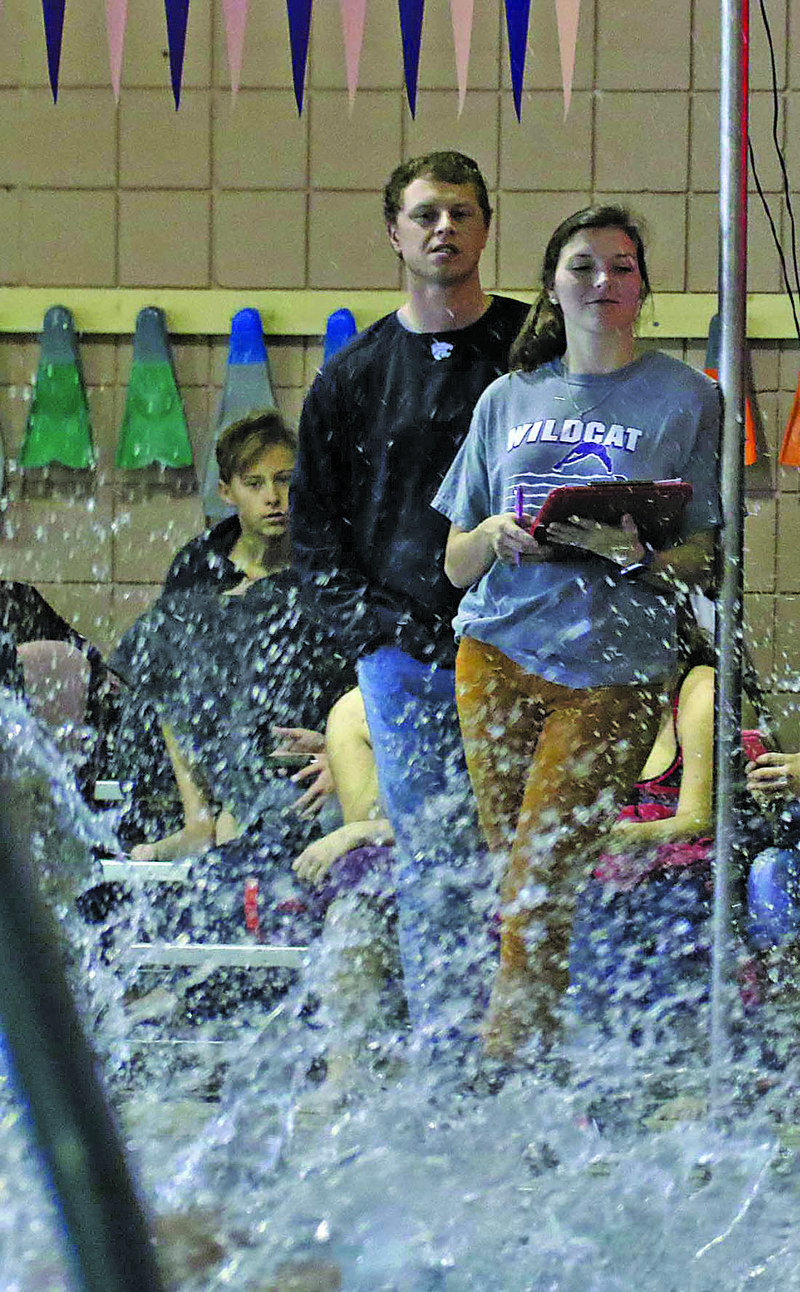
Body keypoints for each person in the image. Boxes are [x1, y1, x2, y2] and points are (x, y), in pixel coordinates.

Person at [433, 204, 721, 1061]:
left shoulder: (687, 397)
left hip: (617, 668)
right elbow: (453, 561)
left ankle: (502, 1062)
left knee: (541, 872)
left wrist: (637, 551)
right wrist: (493, 536)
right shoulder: (507, 397)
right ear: (552, 287)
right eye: (584, 266)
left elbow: (708, 556)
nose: (604, 282)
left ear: (645, 288)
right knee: (515, 875)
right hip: (495, 653)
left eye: (622, 267)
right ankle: (544, 1062)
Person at [291, 152, 530, 1048]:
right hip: (406, 656)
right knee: (435, 866)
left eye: (461, 213)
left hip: (525, 644)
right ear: (394, 232)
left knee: (530, 853)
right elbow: (314, 539)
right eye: (425, 214)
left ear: (485, 227)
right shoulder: (352, 378)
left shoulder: (530, 350)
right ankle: (446, 1058)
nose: (443, 228)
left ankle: (530, 1048)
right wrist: (379, 629)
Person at [110, 412, 353, 940]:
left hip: (296, 737)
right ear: (227, 492)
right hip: (207, 740)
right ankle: (201, 818)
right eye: (256, 484)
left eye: (286, 481)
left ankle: (235, 813)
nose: (274, 498)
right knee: (166, 638)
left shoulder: (325, 561)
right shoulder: (199, 564)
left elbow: (353, 664)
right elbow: (165, 676)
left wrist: (344, 748)